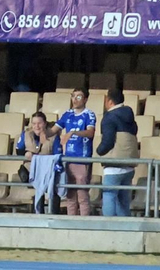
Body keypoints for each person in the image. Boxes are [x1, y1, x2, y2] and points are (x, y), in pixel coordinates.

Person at [46, 89, 96, 217]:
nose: (75, 99)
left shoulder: (89, 114)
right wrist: (40, 130)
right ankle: (71, 221)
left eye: (79, 97)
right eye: (73, 96)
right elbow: (52, 131)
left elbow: (90, 133)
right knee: (70, 195)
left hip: (82, 159)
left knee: (82, 195)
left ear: (85, 99)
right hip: (67, 159)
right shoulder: (67, 114)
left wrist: (73, 132)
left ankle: (84, 223)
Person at [94, 88, 138, 217]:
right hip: (129, 163)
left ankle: (108, 224)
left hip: (114, 164)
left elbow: (107, 142)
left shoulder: (109, 117)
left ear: (109, 101)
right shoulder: (130, 116)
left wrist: (99, 151)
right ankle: (125, 225)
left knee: (109, 195)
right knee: (123, 200)